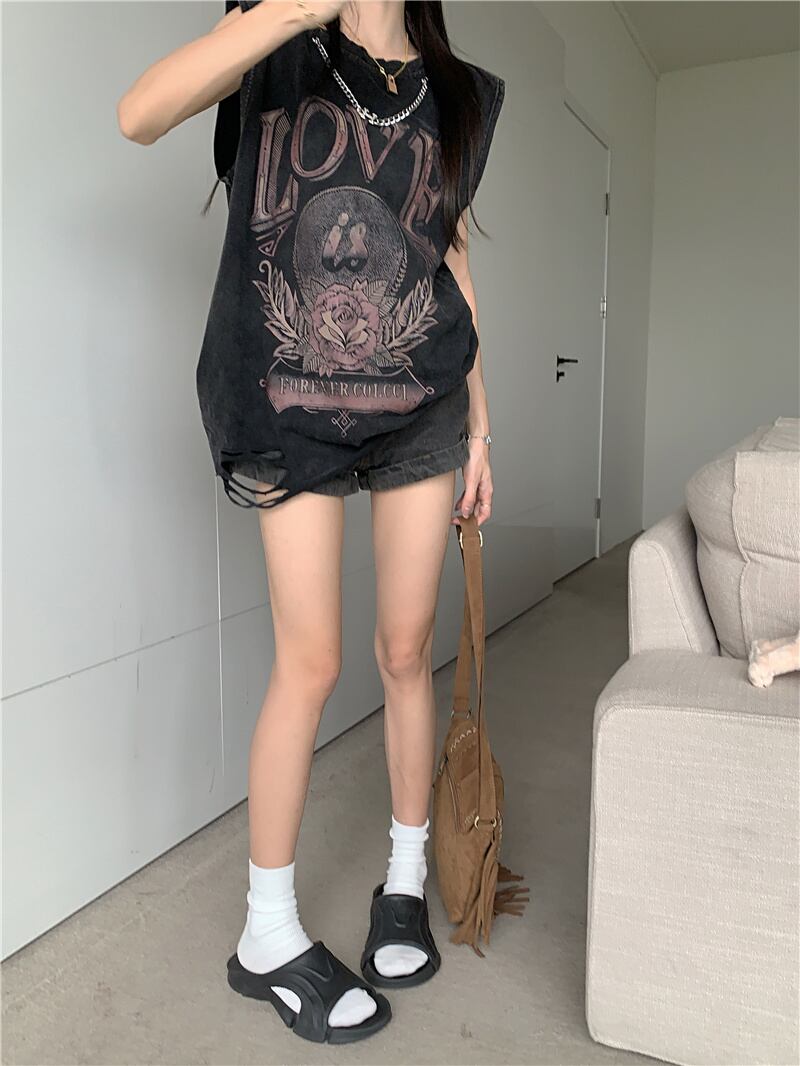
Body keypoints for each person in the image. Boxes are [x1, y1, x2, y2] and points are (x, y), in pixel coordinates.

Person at [117, 0, 504, 1045]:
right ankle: (268, 933)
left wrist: (479, 423)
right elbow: (139, 115)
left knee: (405, 649)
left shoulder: (452, 90)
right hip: (288, 396)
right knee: (311, 661)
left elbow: (453, 257)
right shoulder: (276, 35)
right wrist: (291, 10)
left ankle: (404, 879)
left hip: (420, 402)